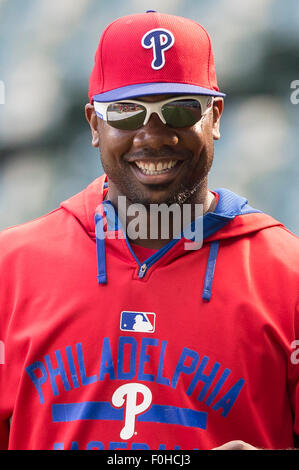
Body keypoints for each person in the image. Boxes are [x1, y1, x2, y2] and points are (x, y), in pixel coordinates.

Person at [0, 11, 298, 451]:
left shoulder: (288, 275)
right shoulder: (11, 269)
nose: (153, 135)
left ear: (214, 116)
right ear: (93, 125)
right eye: (125, 111)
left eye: (179, 108)